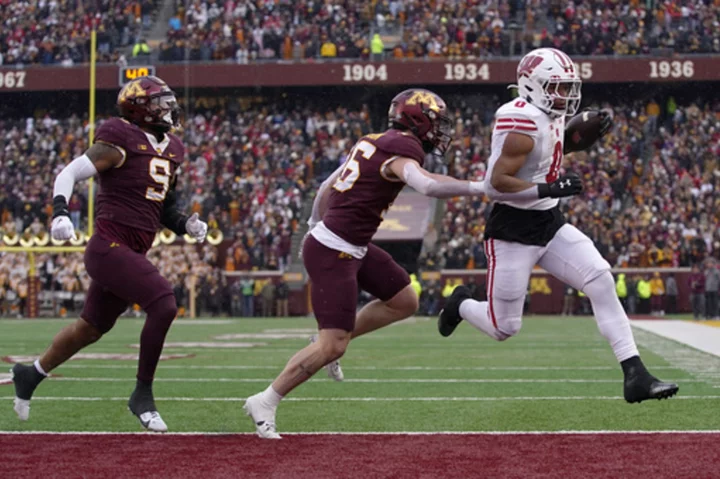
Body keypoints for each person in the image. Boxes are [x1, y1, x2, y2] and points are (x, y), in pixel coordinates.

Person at [437, 48, 678, 404]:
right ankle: (460, 304)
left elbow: (545, 154)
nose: (566, 96)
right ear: (531, 86)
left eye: (568, 87)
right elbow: (495, 184)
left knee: (600, 279)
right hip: (512, 230)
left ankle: (635, 375)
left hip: (549, 221)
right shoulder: (519, 120)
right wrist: (548, 187)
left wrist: (574, 144)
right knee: (505, 328)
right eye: (557, 87)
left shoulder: (547, 114)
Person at [243, 88, 485, 438]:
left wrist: (313, 223)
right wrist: (479, 187)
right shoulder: (405, 147)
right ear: (417, 120)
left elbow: (327, 184)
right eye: (435, 122)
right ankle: (265, 400)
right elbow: (427, 186)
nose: (439, 131)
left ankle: (327, 340)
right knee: (332, 346)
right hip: (335, 249)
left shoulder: (372, 140)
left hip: (348, 243)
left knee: (405, 300)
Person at [10, 76, 208, 432]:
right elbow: (69, 172)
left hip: (132, 249)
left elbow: (163, 207)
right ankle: (142, 394)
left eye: (168, 102)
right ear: (139, 109)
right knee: (163, 303)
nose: (168, 109)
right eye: (160, 103)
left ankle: (30, 375)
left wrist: (185, 225)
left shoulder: (173, 147)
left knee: (90, 329)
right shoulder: (120, 138)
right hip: (107, 247)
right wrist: (59, 211)